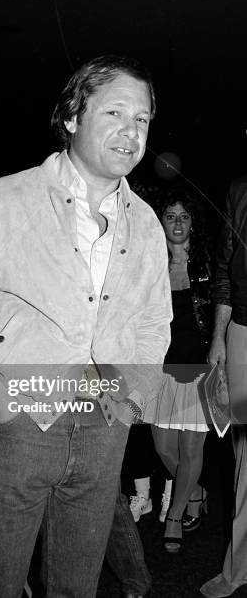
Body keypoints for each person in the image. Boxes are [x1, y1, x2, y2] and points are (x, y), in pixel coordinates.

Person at [0, 55, 172, 597]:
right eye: (116, 113)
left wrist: (134, 393)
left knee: (77, 587)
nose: (131, 131)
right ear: (74, 118)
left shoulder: (146, 221)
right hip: (19, 422)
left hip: (105, 425)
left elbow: (155, 319)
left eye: (142, 119)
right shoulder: (5, 199)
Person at [143, 184, 212, 554]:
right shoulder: (150, 264)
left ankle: (176, 515)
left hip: (200, 366)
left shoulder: (207, 264)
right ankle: (196, 491)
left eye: (184, 216)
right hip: (161, 366)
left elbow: (221, 311)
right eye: (170, 216)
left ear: (193, 223)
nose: (178, 222)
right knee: (164, 449)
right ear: (160, 221)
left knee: (191, 447)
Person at [200, 175, 247, 597]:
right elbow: (223, 268)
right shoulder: (239, 190)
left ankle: (236, 569)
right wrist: (218, 335)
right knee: (244, 458)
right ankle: (239, 568)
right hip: (243, 331)